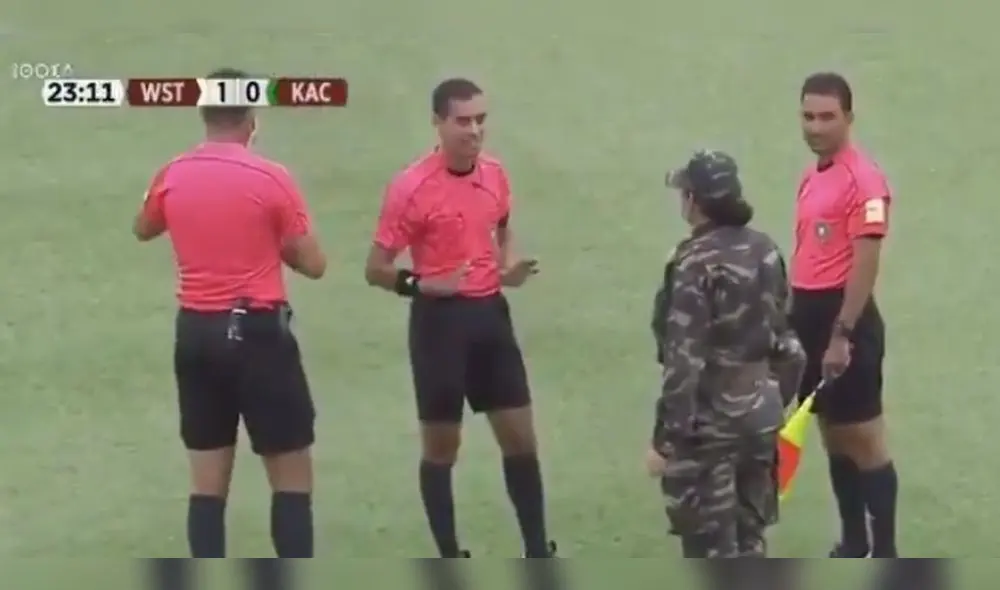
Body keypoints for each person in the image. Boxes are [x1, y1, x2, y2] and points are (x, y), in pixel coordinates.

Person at [132, 67, 326, 558]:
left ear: (204, 114)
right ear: (251, 118)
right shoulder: (271, 177)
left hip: (195, 333)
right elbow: (313, 264)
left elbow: (144, 227)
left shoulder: (173, 172)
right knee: (291, 477)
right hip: (258, 334)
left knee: (207, 482)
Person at [364, 78, 557, 559]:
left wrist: (508, 266)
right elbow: (376, 269)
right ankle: (450, 556)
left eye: (480, 120)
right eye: (463, 121)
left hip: (491, 316)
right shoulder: (410, 188)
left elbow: (503, 224)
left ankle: (538, 551)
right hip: (439, 325)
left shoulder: (495, 175)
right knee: (442, 447)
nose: (474, 130)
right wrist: (420, 285)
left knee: (520, 439)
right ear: (438, 123)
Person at [645, 149, 806, 561]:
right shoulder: (765, 251)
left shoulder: (693, 262)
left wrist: (665, 440)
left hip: (709, 427)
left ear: (694, 201)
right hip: (760, 417)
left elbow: (683, 360)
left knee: (709, 550)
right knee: (750, 540)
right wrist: (770, 400)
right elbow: (788, 345)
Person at [791, 72, 897, 558]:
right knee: (832, 433)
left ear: (849, 119)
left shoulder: (865, 180)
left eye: (827, 117)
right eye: (808, 116)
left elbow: (866, 257)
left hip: (843, 317)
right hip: (808, 317)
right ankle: (854, 542)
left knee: (865, 438)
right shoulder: (814, 175)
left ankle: (888, 552)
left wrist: (842, 333)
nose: (815, 127)